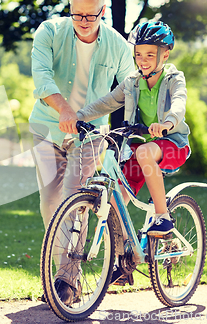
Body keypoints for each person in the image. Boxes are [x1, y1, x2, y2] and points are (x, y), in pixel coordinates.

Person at [29, 0, 134, 304]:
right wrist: (64, 109)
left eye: (90, 16)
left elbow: (132, 86)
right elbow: (42, 76)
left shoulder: (116, 45)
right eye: (77, 15)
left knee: (75, 201)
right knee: (51, 205)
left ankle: (67, 284)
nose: (83, 22)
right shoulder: (49, 32)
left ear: (103, 12)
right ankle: (61, 276)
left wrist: (135, 129)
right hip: (48, 127)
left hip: (90, 134)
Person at [68, 20, 190, 237]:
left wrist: (166, 124)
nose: (142, 61)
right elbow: (107, 102)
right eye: (139, 54)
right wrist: (78, 117)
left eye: (150, 55)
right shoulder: (132, 82)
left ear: (165, 55)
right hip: (140, 150)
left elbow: (179, 103)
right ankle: (123, 262)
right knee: (114, 201)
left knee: (144, 152)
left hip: (172, 144)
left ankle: (163, 217)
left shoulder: (173, 79)